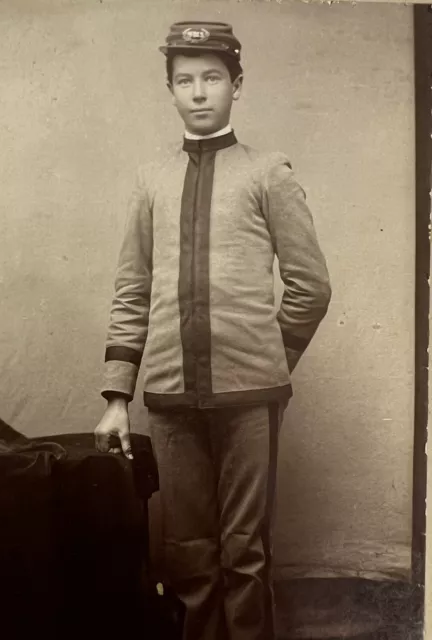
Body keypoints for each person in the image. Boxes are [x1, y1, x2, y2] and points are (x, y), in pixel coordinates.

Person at [95, 21, 331, 640]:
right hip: (171, 397)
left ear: (237, 85)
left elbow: (311, 286)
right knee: (188, 553)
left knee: (244, 552)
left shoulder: (267, 173)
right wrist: (118, 397)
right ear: (170, 90)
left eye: (212, 79)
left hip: (249, 398)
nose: (199, 92)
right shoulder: (150, 180)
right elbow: (132, 289)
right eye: (184, 80)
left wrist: (266, 361)